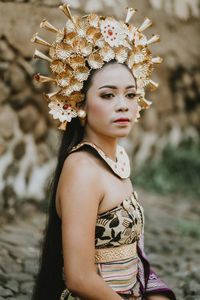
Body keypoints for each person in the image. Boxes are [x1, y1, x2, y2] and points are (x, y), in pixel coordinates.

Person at [31, 4, 176, 300]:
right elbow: (80, 278)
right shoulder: (82, 170)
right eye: (108, 95)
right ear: (81, 104)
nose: (123, 104)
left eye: (131, 94)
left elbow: (134, 254)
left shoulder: (118, 158)